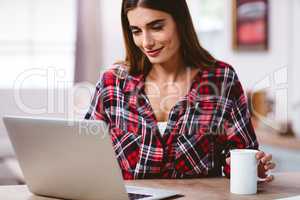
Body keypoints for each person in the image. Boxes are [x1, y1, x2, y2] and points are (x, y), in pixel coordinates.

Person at [85, 0, 275, 180]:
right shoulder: (112, 83)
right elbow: (86, 154)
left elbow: (242, 153)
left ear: (180, 22)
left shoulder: (221, 79)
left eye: (157, 27)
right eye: (136, 31)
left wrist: (252, 167)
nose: (146, 42)